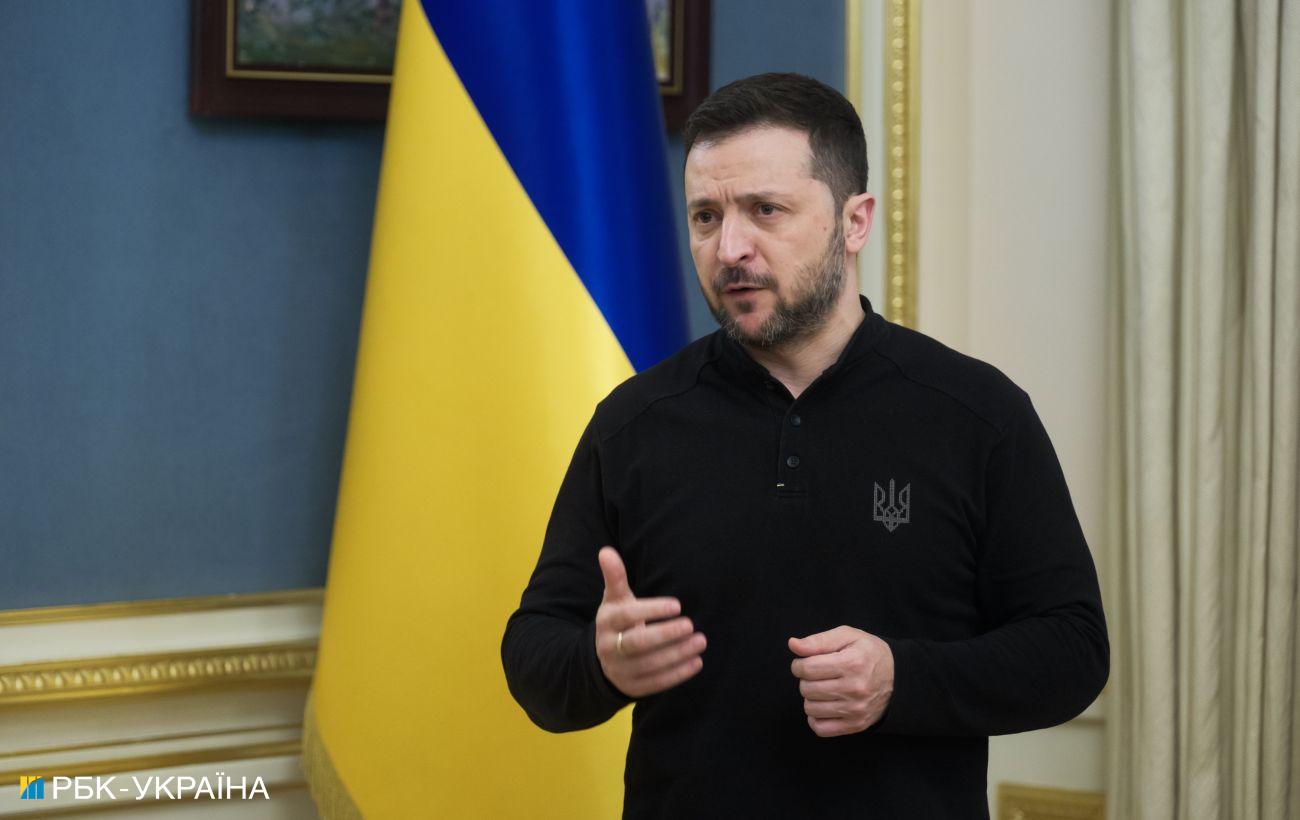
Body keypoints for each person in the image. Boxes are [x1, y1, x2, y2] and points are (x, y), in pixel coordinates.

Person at [501, 72, 1108, 819]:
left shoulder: (978, 415)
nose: (729, 248)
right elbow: (533, 655)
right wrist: (602, 665)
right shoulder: (633, 424)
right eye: (705, 216)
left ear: (855, 222)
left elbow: (1073, 651)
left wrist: (903, 680)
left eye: (766, 210)